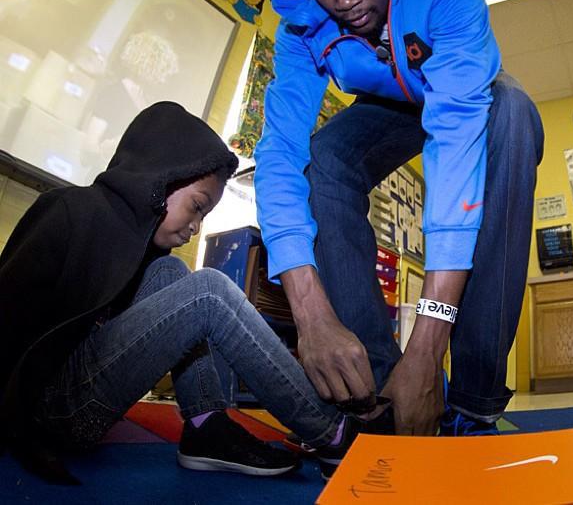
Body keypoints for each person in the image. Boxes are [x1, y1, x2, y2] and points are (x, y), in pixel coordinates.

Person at [254, 0, 545, 437]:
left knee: (513, 112)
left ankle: (473, 401)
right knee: (323, 158)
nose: (344, 0)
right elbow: (279, 152)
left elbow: (455, 141)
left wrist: (427, 351)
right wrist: (310, 316)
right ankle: (374, 388)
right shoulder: (299, 26)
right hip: (386, 108)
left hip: (460, 96)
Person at [0, 102, 382, 484]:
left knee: (169, 271)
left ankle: (205, 424)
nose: (196, 227)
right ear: (159, 178)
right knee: (207, 293)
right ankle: (332, 433)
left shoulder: (143, 249)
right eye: (197, 207)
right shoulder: (70, 210)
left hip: (79, 391)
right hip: (49, 409)